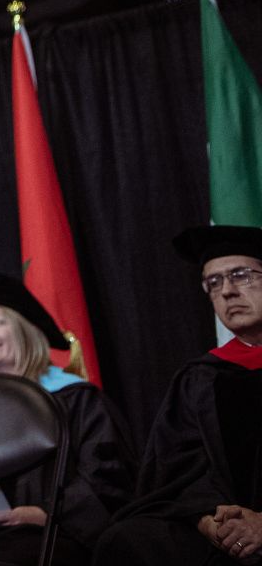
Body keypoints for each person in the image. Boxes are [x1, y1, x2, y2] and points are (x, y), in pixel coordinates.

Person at [0, 273, 133, 564]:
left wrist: (46, 514)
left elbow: (108, 478)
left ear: (27, 332)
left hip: (55, 537)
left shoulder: (76, 400)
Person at [93, 225, 262, 565]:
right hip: (226, 533)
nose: (227, 291)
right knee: (127, 540)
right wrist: (209, 521)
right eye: (213, 282)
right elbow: (178, 474)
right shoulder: (201, 378)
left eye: (241, 275)